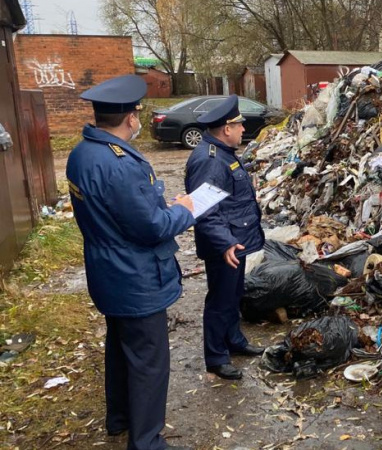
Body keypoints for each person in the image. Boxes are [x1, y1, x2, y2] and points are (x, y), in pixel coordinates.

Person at [66, 75, 195, 450]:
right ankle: (147, 441)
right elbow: (151, 228)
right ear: (129, 117)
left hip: (107, 269)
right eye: (138, 113)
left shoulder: (82, 152)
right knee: (149, 361)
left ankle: (119, 418)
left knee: (121, 349)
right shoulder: (119, 163)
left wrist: (156, 205)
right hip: (135, 277)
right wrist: (184, 211)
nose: (139, 120)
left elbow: (120, 211)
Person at [184, 95, 265, 381]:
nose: (244, 129)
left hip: (235, 240)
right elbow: (205, 210)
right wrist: (225, 243)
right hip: (225, 245)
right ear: (225, 129)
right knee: (220, 300)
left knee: (233, 295)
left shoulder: (222, 152)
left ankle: (235, 341)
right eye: (239, 125)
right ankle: (216, 357)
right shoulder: (209, 160)